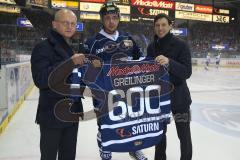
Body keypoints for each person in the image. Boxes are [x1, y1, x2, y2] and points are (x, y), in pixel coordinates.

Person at [84, 2, 147, 160]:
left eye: (114, 17)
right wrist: (91, 66)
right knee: (105, 124)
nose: (111, 21)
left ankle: (134, 148)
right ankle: (106, 150)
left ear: (119, 19)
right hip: (103, 94)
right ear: (102, 19)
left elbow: (140, 62)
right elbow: (84, 70)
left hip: (128, 91)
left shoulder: (128, 39)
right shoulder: (92, 42)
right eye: (107, 18)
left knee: (131, 121)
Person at [31, 9, 85, 160]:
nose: (69, 26)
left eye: (73, 24)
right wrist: (70, 63)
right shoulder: (43, 47)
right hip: (52, 116)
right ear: (54, 24)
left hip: (71, 114)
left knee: (68, 156)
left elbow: (75, 78)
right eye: (65, 23)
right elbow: (40, 79)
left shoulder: (71, 47)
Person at [146, 14, 192, 160]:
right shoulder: (151, 47)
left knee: (184, 136)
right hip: (159, 100)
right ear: (154, 27)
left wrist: (169, 62)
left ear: (170, 26)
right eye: (157, 25)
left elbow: (186, 72)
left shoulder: (181, 45)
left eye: (163, 25)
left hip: (180, 100)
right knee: (159, 136)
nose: (160, 28)